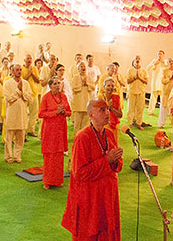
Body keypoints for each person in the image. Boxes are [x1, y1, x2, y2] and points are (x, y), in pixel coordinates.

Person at [61, 98, 123, 241]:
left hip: (108, 196)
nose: (107, 113)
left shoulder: (109, 134)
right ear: (91, 114)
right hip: (90, 198)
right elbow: (79, 173)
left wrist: (115, 160)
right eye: (102, 110)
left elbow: (117, 166)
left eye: (107, 109)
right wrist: (106, 160)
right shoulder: (82, 137)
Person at [39, 76, 70, 188]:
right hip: (49, 130)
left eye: (59, 83)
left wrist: (64, 112)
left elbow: (69, 112)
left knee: (59, 154)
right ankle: (47, 181)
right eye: (55, 84)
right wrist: (55, 113)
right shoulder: (46, 97)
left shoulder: (64, 96)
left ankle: (58, 180)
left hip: (61, 129)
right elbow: (41, 114)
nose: (57, 85)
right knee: (50, 155)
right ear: (50, 86)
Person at [3, 64, 33, 164]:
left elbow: (29, 97)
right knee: (9, 136)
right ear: (12, 71)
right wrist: (18, 90)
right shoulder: (7, 83)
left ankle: (17, 156)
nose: (19, 71)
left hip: (22, 113)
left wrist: (22, 92)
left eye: (20, 70)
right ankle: (8, 156)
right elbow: (9, 98)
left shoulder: (25, 83)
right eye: (17, 70)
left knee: (20, 136)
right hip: (11, 112)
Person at [70, 61, 94, 131]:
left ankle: (84, 137)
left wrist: (87, 84)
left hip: (86, 103)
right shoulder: (75, 77)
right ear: (78, 69)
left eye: (84, 66)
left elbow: (93, 87)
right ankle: (77, 137)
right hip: (78, 104)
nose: (83, 68)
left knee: (86, 125)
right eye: (81, 66)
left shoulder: (89, 77)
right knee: (77, 125)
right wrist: (81, 85)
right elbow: (73, 88)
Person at [157, 58, 173, 128]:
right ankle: (161, 124)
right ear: (167, 63)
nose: (171, 63)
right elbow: (162, 81)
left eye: (172, 61)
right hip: (166, 92)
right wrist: (169, 78)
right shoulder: (164, 71)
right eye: (169, 61)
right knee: (163, 108)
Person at [146, 50, 168, 115]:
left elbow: (169, 67)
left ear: (163, 55)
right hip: (155, 82)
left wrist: (163, 62)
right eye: (158, 54)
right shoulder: (154, 61)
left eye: (161, 54)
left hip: (162, 83)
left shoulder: (166, 62)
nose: (159, 55)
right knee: (153, 97)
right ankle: (151, 110)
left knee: (162, 97)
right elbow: (147, 68)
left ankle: (163, 111)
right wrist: (154, 64)